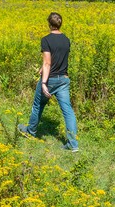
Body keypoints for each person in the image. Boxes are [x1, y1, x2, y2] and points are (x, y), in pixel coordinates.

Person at [18, 12, 79, 152]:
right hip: (63, 79)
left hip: (50, 79)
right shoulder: (66, 39)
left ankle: (31, 132)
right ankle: (73, 144)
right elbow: (58, 58)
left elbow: (48, 63)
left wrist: (44, 83)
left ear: (49, 24)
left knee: (38, 105)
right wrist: (42, 67)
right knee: (68, 111)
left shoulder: (46, 40)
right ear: (60, 24)